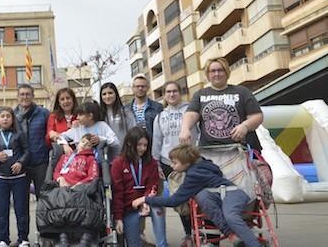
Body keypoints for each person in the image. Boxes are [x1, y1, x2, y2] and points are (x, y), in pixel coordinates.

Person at [132, 144, 261, 247]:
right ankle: (232, 235)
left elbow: (174, 201)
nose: (171, 166)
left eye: (174, 163)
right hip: (222, 193)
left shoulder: (193, 175)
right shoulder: (205, 165)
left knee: (231, 216)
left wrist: (145, 199)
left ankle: (253, 244)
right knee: (201, 195)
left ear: (186, 163)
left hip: (233, 193)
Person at [180, 57, 264, 152]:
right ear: (208, 74)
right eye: (213, 71)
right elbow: (191, 114)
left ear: (227, 72)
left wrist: (245, 126)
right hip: (209, 151)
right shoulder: (200, 94)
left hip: (241, 150)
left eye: (220, 70)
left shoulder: (242, 92)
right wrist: (185, 128)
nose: (217, 74)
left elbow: (257, 116)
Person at [152, 81, 195, 246]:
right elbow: (157, 141)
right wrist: (156, 163)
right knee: (180, 200)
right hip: (169, 163)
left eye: (175, 91)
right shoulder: (160, 116)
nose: (171, 94)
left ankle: (200, 231)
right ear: (164, 94)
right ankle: (188, 234)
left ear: (180, 92)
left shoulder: (190, 110)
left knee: (197, 199)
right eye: (168, 91)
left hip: (190, 161)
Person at [111, 127, 167, 247]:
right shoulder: (118, 163)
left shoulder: (151, 162)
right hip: (128, 208)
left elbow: (153, 185)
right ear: (130, 143)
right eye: (139, 145)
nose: (143, 149)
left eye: (145, 145)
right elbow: (118, 193)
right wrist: (118, 218)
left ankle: (162, 244)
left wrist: (145, 201)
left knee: (157, 209)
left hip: (146, 202)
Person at [0, 107, 30, 247]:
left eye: (8, 116)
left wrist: (20, 162)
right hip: (1, 178)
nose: (5, 119)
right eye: (2, 116)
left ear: (13, 119)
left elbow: (27, 151)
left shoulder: (19, 133)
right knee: (1, 210)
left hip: (19, 177)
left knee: (21, 209)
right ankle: (3, 240)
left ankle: (23, 238)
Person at [51, 133, 99, 247]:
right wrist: (60, 179)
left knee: (88, 206)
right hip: (63, 188)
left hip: (80, 189)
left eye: (88, 145)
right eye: (83, 142)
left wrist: (78, 185)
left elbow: (93, 176)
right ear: (77, 143)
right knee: (58, 204)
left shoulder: (91, 159)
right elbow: (56, 171)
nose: (84, 145)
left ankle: (85, 240)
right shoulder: (65, 157)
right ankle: (63, 238)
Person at [13, 84, 50, 200]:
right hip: (20, 164)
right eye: (22, 94)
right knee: (21, 201)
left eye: (28, 94)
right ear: (18, 97)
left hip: (40, 163)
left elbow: (50, 134)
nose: (25, 97)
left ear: (33, 96)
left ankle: (43, 219)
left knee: (44, 198)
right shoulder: (12, 116)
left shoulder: (44, 113)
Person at [125, 75, 163, 139]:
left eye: (143, 86)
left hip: (152, 144)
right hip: (132, 144)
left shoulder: (157, 107)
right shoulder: (126, 109)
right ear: (133, 88)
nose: (140, 88)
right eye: (137, 86)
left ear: (148, 88)